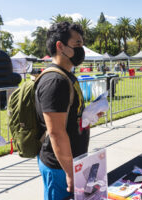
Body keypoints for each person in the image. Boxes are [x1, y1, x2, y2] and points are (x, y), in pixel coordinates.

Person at [35, 22, 102, 200]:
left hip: (70, 162)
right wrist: (71, 172)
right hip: (59, 167)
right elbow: (56, 132)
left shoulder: (66, 76)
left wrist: (87, 115)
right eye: (77, 44)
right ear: (60, 46)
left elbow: (68, 116)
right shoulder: (55, 81)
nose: (82, 50)